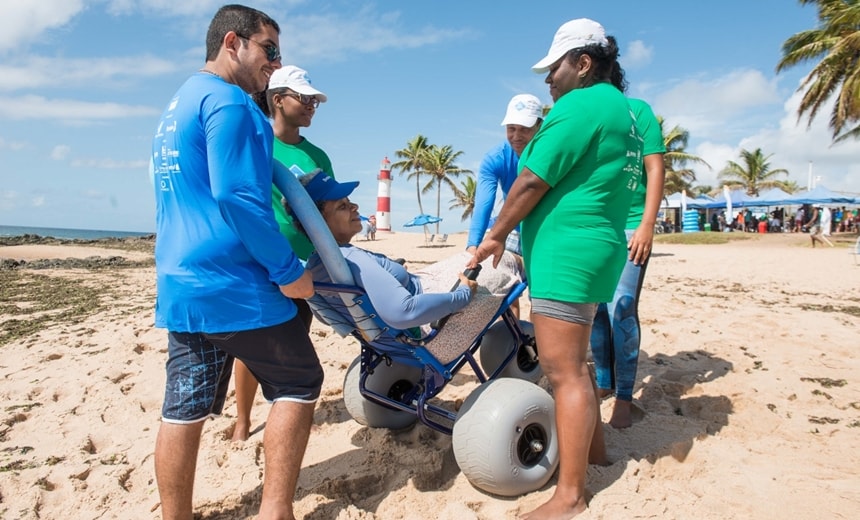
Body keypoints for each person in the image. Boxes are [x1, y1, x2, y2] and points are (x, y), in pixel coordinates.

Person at [150, 6, 321, 520]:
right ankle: (275, 512)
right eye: (270, 50)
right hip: (232, 283)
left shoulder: (177, 104)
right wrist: (290, 272)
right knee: (299, 381)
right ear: (233, 43)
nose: (276, 62)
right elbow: (238, 197)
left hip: (181, 282)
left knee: (182, 410)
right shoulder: (233, 103)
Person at [468, 18, 641, 519]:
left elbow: (528, 183)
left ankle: (569, 496)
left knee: (562, 372)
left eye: (555, 67)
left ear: (583, 64)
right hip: (597, 247)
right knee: (579, 362)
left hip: (569, 253)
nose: (549, 79)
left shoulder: (579, 106)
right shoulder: (623, 111)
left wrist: (496, 235)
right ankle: (598, 451)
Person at [231, 64, 333, 442]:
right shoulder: (256, 143)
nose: (311, 106)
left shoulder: (317, 155)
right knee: (252, 344)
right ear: (277, 100)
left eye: (314, 101)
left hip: (305, 263)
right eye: (304, 98)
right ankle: (242, 419)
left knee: (294, 335)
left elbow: (327, 207)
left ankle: (281, 410)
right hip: (259, 261)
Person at [589, 96, 665, 429]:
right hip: (596, 224)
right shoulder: (585, 107)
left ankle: (624, 395)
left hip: (633, 223)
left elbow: (655, 166)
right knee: (596, 309)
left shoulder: (639, 110)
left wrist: (648, 224)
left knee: (622, 305)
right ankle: (605, 380)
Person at [466, 93, 543, 318]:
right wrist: (473, 245)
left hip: (541, 228)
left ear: (540, 125)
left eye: (524, 129)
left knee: (540, 299)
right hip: (510, 227)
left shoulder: (549, 153)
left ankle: (539, 348)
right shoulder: (495, 158)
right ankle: (514, 347)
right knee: (506, 295)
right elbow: (484, 204)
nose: (516, 136)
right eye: (511, 128)